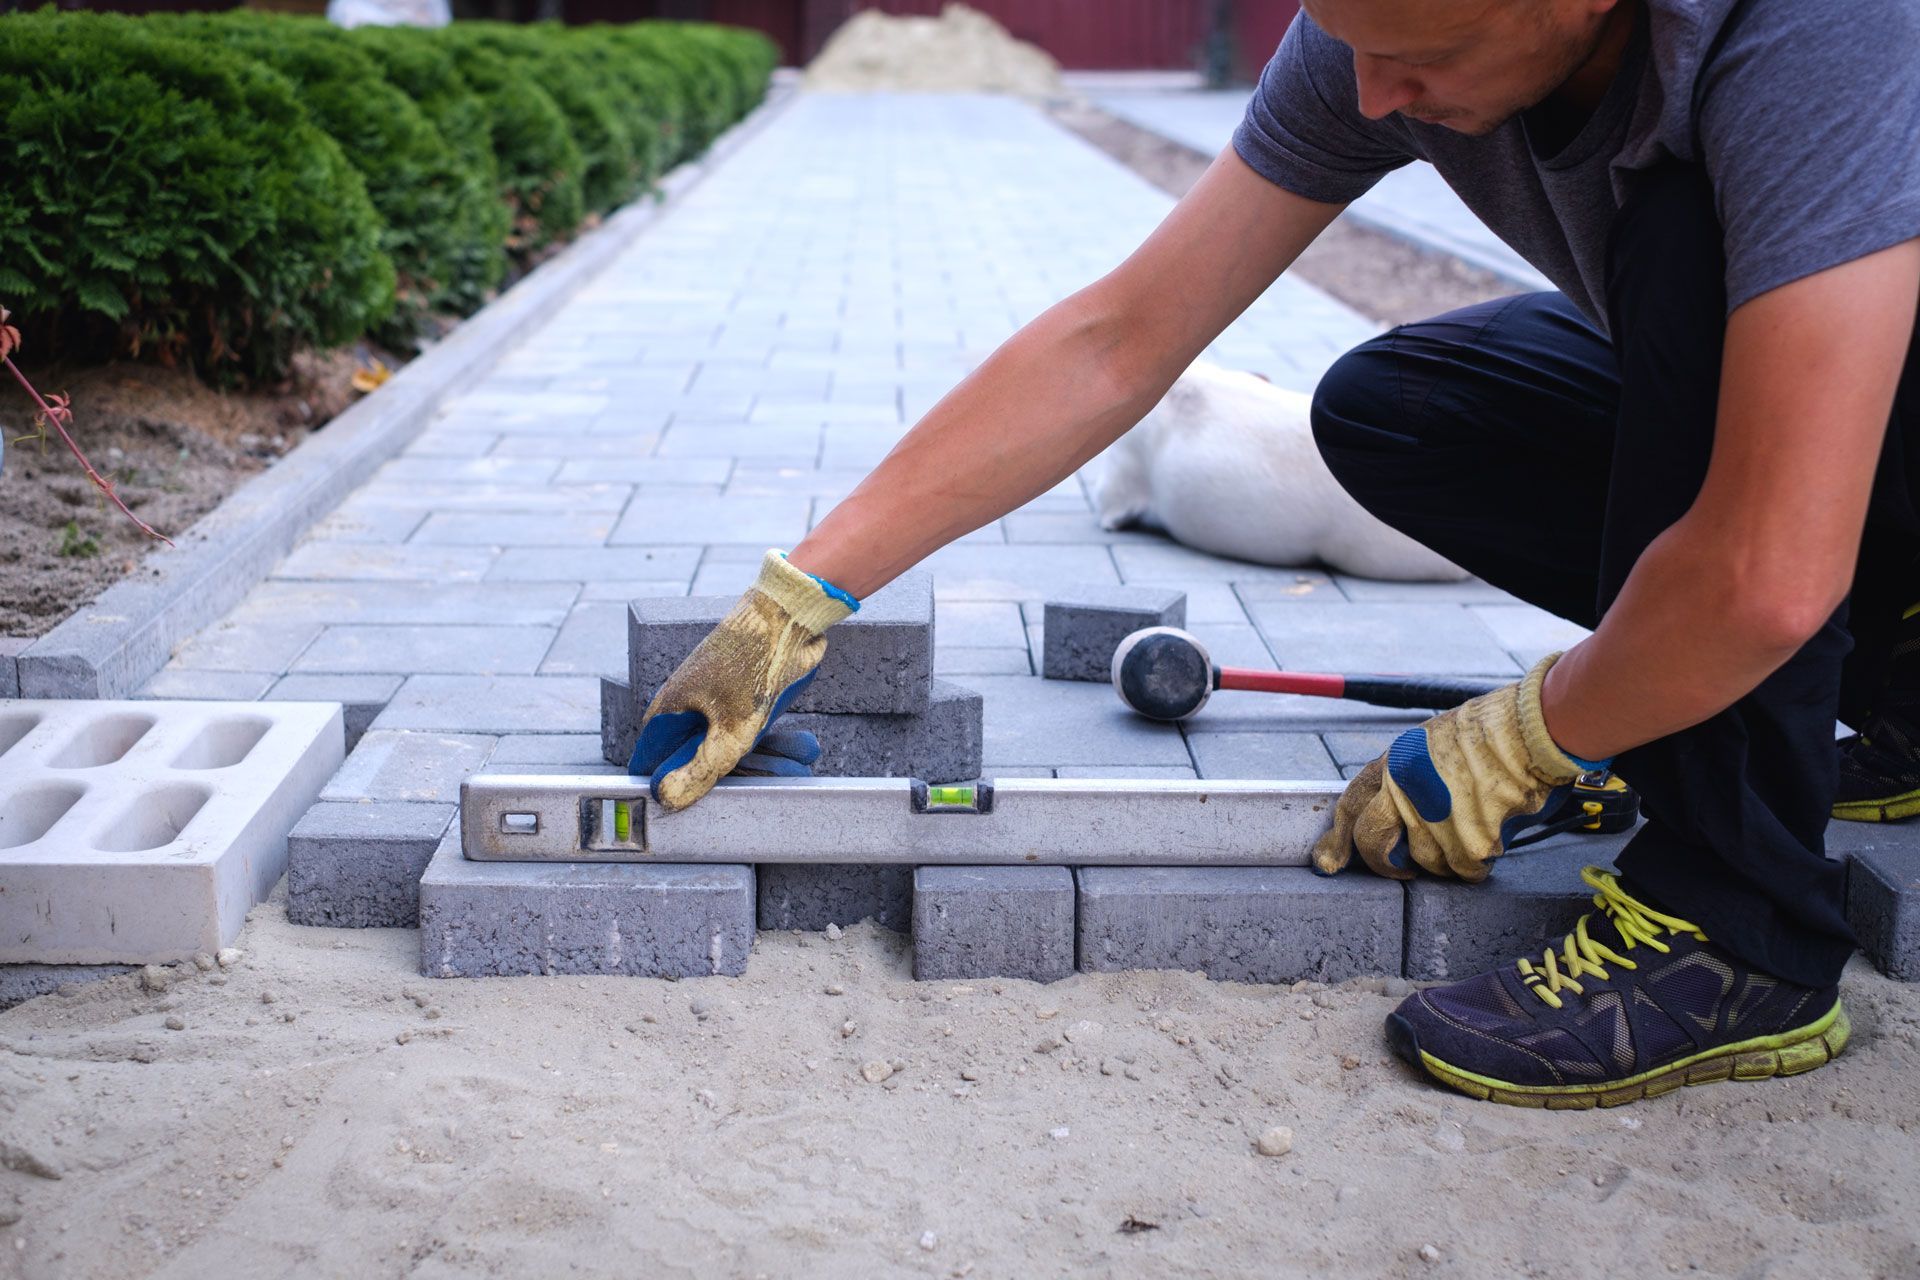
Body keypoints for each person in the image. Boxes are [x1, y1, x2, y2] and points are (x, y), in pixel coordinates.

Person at [627, 0, 1920, 1109]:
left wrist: (1532, 731)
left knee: (1685, 252)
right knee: (1402, 411)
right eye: (1349, 40)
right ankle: (1899, 694)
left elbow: (1766, 563)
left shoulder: (1816, 35)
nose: (1371, 93)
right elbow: (1118, 340)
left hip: (1867, 418)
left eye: (1413, 53)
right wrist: (797, 601)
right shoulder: (1380, 35)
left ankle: (1737, 926)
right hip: (1858, 439)